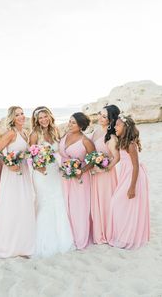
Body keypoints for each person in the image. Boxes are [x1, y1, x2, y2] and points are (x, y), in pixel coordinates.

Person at [0, 106, 36, 258]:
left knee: (24, 204)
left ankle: (22, 242)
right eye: (17, 115)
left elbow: (27, 152)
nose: (21, 117)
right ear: (12, 118)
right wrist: (8, 164)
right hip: (12, 174)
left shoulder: (24, 132)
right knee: (12, 204)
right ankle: (8, 243)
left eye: (22, 113)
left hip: (24, 171)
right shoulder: (11, 133)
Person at [29, 106, 73, 257]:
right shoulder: (34, 134)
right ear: (36, 120)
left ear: (50, 116)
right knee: (44, 202)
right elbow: (31, 155)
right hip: (41, 173)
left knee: (57, 200)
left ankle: (61, 238)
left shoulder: (55, 131)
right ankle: (42, 240)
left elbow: (59, 150)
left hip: (54, 170)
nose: (43, 120)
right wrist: (38, 165)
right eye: (40, 118)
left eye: (45, 116)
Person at [107, 114, 150, 249]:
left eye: (118, 125)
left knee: (119, 202)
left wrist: (132, 187)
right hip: (126, 175)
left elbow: (136, 166)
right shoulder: (122, 141)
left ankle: (130, 236)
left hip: (133, 176)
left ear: (125, 127)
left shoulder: (131, 144)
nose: (115, 127)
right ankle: (124, 234)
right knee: (121, 204)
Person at [59, 112, 95, 249]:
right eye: (69, 121)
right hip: (64, 177)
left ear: (81, 126)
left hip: (79, 179)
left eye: (73, 122)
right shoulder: (64, 135)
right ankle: (67, 236)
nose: (69, 124)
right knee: (65, 206)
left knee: (78, 207)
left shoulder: (85, 141)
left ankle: (79, 238)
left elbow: (93, 160)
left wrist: (82, 170)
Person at [90, 105, 120, 244]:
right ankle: (99, 230)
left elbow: (116, 157)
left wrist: (104, 169)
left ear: (110, 120)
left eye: (104, 116)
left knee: (106, 201)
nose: (100, 118)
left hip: (106, 175)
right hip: (95, 173)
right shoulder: (96, 131)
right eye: (100, 115)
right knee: (97, 201)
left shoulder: (112, 136)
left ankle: (108, 232)